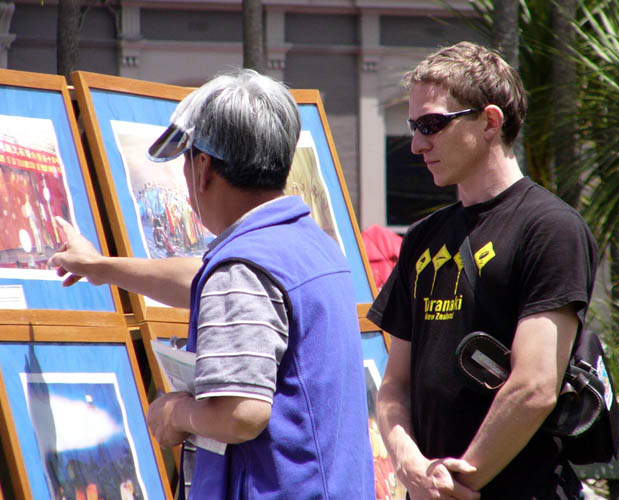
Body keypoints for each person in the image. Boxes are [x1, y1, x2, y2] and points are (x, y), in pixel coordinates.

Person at [48, 68, 375, 500]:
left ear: (202, 168)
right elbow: (201, 279)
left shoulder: (242, 268)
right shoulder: (309, 245)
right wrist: (101, 267)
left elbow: (241, 414)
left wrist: (177, 413)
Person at [367, 41, 598, 500]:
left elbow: (534, 387)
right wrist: (409, 464)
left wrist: (457, 483)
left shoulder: (550, 227)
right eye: (413, 127)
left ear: (490, 122)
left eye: (431, 125)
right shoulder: (422, 237)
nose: (416, 144)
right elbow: (394, 385)